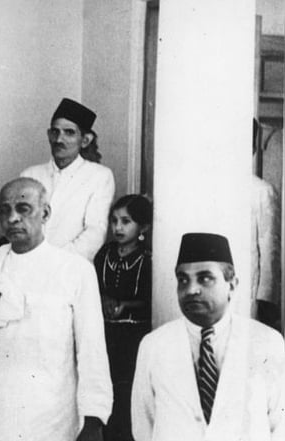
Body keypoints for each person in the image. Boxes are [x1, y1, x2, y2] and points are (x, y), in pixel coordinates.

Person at [0, 177, 112, 441]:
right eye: (5, 210)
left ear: (45, 213)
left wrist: (93, 419)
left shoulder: (75, 270)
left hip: (51, 420)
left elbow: (92, 352)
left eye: (23, 209)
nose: (12, 218)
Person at [131, 233, 285, 440]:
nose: (191, 289)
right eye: (183, 280)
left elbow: (281, 424)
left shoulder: (266, 342)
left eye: (205, 278)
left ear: (231, 285)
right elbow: (143, 427)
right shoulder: (154, 346)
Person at [21, 98, 115, 261]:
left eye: (69, 132)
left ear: (85, 140)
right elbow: (20, 224)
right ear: (49, 135)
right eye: (55, 132)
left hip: (73, 269)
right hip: (30, 264)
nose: (59, 140)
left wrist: (55, 261)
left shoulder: (100, 176)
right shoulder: (29, 175)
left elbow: (95, 232)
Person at [93, 194, 152, 441]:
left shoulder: (146, 260)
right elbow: (92, 287)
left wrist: (124, 304)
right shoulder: (104, 254)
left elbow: (150, 302)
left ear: (143, 227)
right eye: (114, 220)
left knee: (126, 396)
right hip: (104, 335)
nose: (118, 227)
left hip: (132, 339)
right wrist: (104, 298)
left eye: (126, 221)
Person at [251, 118, 280, 328]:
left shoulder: (261, 191)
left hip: (249, 289)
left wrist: (267, 297)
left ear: (252, 148)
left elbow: (269, 248)